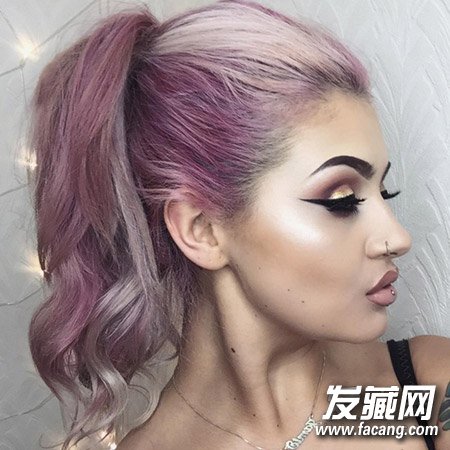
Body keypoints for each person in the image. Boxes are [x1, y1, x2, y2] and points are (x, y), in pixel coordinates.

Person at [26, 1, 450, 449]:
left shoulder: (425, 386)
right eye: (342, 201)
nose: (398, 238)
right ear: (202, 230)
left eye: (384, 192)